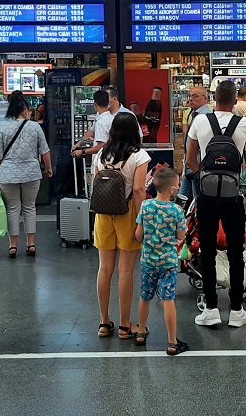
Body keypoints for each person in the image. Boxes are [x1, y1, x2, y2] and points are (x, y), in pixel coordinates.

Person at [187, 80, 246, 328]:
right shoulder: (244, 124)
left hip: (207, 196)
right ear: (234, 101)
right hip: (233, 196)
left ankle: (210, 308)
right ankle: (237, 309)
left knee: (207, 250)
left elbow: (190, 157)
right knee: (235, 249)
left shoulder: (200, 121)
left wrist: (200, 175)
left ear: (214, 98)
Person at [92, 112, 151, 340]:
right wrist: (144, 219)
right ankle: (126, 326)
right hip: (128, 214)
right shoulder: (139, 156)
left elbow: (97, 183)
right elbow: (138, 190)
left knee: (104, 269)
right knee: (126, 271)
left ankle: (104, 322)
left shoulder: (100, 154)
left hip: (103, 214)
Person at [0, 91, 53, 258]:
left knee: (12, 209)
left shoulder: (4, 128)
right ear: (25, 110)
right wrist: (49, 167)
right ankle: (31, 243)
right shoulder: (35, 127)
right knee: (29, 207)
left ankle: (13, 246)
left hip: (8, 174)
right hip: (31, 173)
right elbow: (45, 150)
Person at [134, 168, 188, 356]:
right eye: (179, 185)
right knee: (168, 299)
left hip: (148, 260)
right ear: (172, 189)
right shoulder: (177, 210)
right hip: (168, 263)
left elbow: (138, 235)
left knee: (145, 296)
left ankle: (141, 332)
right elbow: (181, 235)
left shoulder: (146, 206)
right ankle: (172, 342)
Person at [180, 86, 212, 200]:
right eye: (190, 96)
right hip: (191, 165)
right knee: (183, 198)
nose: (191, 99)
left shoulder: (204, 116)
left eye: (195, 96)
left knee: (196, 199)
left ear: (205, 99)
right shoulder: (195, 114)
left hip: (196, 165)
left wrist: (195, 169)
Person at [72, 89, 112, 159]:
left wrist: (82, 151)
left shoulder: (101, 122)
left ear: (95, 104)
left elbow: (101, 147)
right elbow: (108, 141)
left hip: (103, 161)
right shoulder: (113, 118)